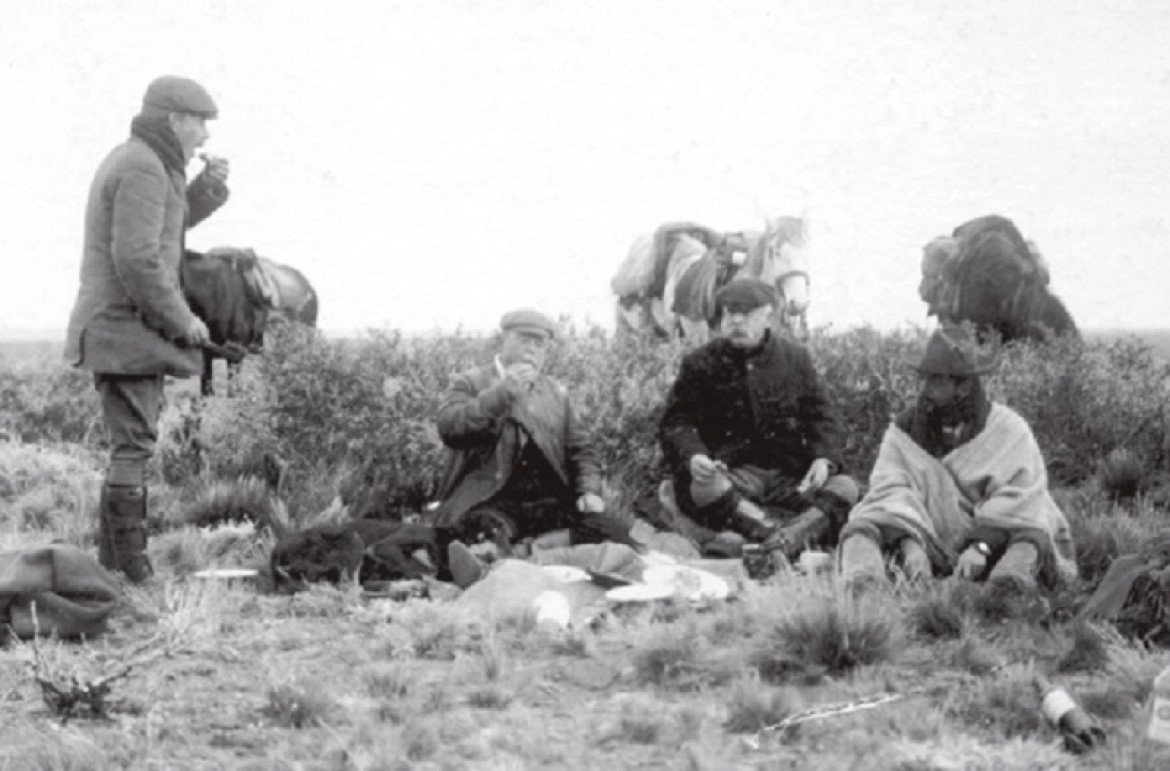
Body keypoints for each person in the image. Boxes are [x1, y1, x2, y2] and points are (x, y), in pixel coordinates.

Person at [64, 76, 231, 582]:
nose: (204, 136)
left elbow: (164, 231)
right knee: (133, 447)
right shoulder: (142, 166)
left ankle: (115, 568)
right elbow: (137, 260)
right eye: (199, 123)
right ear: (173, 119)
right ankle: (132, 573)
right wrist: (184, 321)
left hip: (123, 330)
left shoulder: (147, 163)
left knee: (128, 447)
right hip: (124, 331)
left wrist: (206, 191)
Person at [838, 325, 1077, 591]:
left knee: (1033, 530)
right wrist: (911, 543)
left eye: (936, 381)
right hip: (924, 534)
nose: (925, 389)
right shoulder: (905, 430)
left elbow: (1019, 500)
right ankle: (864, 586)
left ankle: (1007, 590)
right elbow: (889, 491)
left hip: (994, 537)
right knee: (861, 525)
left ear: (963, 387)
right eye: (924, 379)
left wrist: (981, 547)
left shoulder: (1009, 429)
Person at [657, 277, 860, 560]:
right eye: (730, 313)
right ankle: (788, 538)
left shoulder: (795, 358)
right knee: (705, 487)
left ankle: (766, 541)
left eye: (747, 313)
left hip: (789, 479)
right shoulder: (700, 362)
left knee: (846, 488)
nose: (737, 320)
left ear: (768, 315)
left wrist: (822, 460)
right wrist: (695, 457)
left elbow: (823, 417)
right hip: (732, 478)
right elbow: (676, 423)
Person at [429, 309, 629, 586]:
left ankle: (529, 557)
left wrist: (588, 490)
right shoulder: (470, 382)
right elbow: (450, 427)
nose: (532, 351)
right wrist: (502, 393)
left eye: (540, 345)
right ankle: (512, 563)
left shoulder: (556, 394)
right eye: (525, 341)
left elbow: (582, 450)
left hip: (547, 504)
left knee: (613, 530)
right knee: (481, 536)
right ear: (504, 340)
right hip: (489, 503)